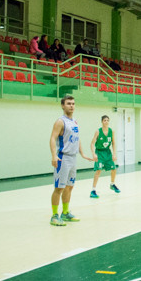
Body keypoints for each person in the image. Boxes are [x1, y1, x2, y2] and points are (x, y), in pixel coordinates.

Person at [48, 95, 95, 226]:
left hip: (73, 158)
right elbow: (52, 138)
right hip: (63, 157)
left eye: (73, 103)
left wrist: (82, 153)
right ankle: (54, 216)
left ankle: (65, 212)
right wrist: (53, 155)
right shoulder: (60, 121)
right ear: (63, 106)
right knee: (59, 188)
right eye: (68, 103)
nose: (71, 106)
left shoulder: (74, 121)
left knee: (70, 187)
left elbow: (77, 138)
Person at [90, 115, 120, 198]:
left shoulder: (111, 131)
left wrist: (114, 154)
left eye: (107, 120)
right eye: (104, 120)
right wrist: (93, 153)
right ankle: (93, 190)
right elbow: (92, 143)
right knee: (98, 171)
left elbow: (113, 143)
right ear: (102, 122)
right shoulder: (98, 131)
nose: (106, 122)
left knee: (114, 169)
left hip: (107, 152)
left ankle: (112, 184)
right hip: (99, 153)